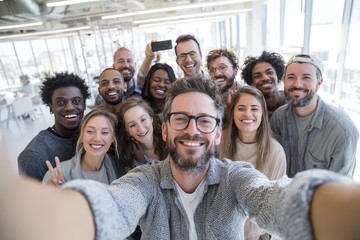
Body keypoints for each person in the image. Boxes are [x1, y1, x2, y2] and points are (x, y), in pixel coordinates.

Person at [4, 76, 360, 240]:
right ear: (165, 130)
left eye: (204, 120)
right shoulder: (143, 181)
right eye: (181, 118)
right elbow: (111, 207)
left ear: (218, 132)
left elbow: (277, 200)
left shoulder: (237, 177)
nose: (193, 129)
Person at [270, 53, 359, 178]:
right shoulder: (278, 118)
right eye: (291, 77)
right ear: (284, 80)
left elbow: (339, 186)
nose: (297, 84)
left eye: (306, 77)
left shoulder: (342, 130)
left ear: (319, 83)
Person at [219, 86, 286, 240]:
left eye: (254, 109)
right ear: (233, 113)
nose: (247, 114)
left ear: (262, 114)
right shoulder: (219, 141)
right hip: (219, 230)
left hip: (256, 234)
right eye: (241, 108)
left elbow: (275, 204)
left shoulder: (275, 152)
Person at [18, 72, 91, 181]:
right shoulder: (33, 156)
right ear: (50, 107)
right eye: (61, 102)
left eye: (76, 101)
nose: (70, 107)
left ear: (84, 105)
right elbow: (31, 197)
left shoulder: (95, 138)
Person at [42, 108, 127, 185]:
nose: (97, 138)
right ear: (82, 136)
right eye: (90, 131)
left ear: (112, 138)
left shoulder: (119, 167)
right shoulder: (58, 174)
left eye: (104, 132)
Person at [117, 97, 167, 169]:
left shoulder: (169, 140)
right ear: (127, 130)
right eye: (132, 125)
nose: (140, 129)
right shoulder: (128, 158)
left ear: (151, 118)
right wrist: (141, 164)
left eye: (143, 120)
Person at [241, 51, 286, 118]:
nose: (265, 78)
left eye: (269, 72)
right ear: (252, 82)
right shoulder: (251, 108)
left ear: (278, 75)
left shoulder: (291, 101)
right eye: (257, 76)